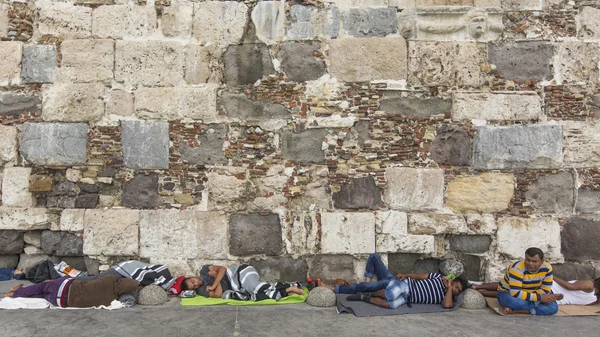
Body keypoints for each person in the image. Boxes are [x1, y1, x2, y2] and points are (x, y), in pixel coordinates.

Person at [318, 253, 467, 309]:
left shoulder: (445, 297)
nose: (455, 290)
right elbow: (420, 276)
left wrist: (448, 290)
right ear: (452, 281)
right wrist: (405, 274)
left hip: (403, 293)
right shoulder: (437, 278)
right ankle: (336, 288)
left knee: (378, 294)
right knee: (373, 257)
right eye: (456, 286)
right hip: (403, 283)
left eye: (458, 291)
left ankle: (360, 289)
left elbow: (447, 306)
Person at [495, 247, 562, 316]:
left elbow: (545, 289)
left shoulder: (547, 268)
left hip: (534, 292)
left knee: (553, 308)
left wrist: (542, 297)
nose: (530, 263)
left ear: (542, 261)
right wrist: (540, 298)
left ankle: (521, 310)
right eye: (528, 260)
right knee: (513, 302)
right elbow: (515, 293)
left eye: (534, 261)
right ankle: (529, 309)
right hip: (509, 293)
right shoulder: (517, 269)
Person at [3, 274, 138, 308]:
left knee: (44, 286)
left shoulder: (109, 279)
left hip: (64, 287)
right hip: (61, 302)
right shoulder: (110, 300)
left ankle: (15, 292)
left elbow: (91, 279)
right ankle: (18, 292)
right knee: (45, 295)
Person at [195, 264, 304, 301]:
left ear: (191, 277)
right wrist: (216, 280)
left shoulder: (205, 270)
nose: (195, 284)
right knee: (254, 297)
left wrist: (213, 284)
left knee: (255, 288)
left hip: (239, 273)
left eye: (192, 281)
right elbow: (218, 294)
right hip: (236, 288)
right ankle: (287, 290)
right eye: (193, 286)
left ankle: (295, 284)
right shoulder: (201, 290)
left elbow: (222, 269)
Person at [473, 277, 599, 305]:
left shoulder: (589, 285)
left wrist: (551, 275)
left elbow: (569, 286)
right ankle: (479, 291)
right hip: (554, 297)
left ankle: (478, 287)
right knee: (515, 292)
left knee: (512, 287)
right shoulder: (593, 300)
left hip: (551, 288)